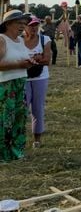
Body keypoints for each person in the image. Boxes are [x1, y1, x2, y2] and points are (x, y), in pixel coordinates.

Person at [0, 10, 37, 161]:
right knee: (5, 119)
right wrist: (19, 64)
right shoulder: (1, 39)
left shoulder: (21, 41)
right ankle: (3, 154)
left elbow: (23, 60)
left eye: (24, 23)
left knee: (19, 119)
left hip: (20, 82)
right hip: (5, 85)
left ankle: (16, 152)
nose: (23, 27)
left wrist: (30, 63)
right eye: (19, 23)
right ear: (8, 24)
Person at [23, 15, 52, 148]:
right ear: (24, 27)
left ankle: (37, 139)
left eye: (36, 24)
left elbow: (47, 60)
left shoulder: (44, 39)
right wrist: (36, 58)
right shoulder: (18, 40)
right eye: (30, 25)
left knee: (37, 108)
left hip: (40, 77)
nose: (33, 27)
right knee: (22, 108)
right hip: (22, 78)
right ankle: (19, 136)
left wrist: (36, 59)